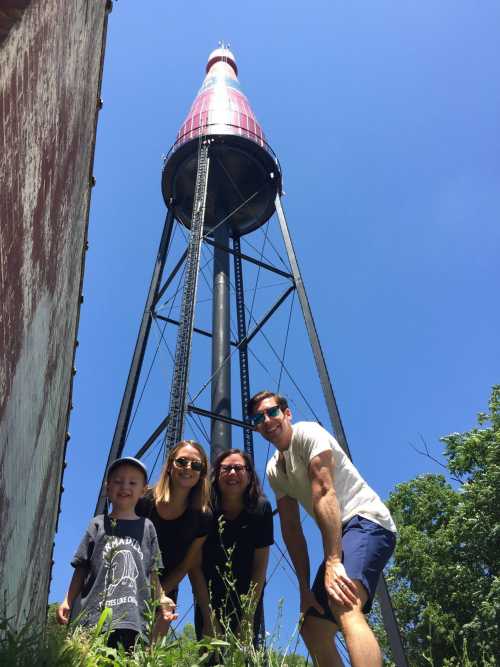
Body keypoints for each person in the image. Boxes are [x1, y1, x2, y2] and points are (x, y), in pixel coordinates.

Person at [248, 391, 397, 667]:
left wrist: (332, 561)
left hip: (366, 520)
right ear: (256, 427)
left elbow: (324, 491)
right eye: (259, 417)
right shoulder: (274, 470)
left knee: (343, 601)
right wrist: (304, 589)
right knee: (313, 628)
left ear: (287, 413)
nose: (267, 420)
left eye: (272, 412)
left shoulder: (307, 433)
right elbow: (291, 529)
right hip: (341, 535)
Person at [57, 457, 177, 651]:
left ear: (143, 490)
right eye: (118, 481)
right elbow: (81, 567)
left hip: (134, 619)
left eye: (132, 482)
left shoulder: (147, 527)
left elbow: (153, 572)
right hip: (94, 617)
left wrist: (162, 598)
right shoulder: (97, 524)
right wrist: (67, 600)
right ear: (108, 488)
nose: (125, 487)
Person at [192, 449, 274, 646]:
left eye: (239, 468)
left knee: (244, 656)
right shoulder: (204, 508)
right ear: (216, 474)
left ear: (249, 475)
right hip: (208, 596)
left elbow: (260, 567)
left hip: (247, 597)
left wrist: (247, 618)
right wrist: (208, 615)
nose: (232, 473)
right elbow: (194, 565)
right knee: (211, 655)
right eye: (226, 468)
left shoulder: (260, 509)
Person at [135, 439, 212, 638]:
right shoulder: (143, 503)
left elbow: (186, 565)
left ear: (202, 473)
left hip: (167, 590)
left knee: (148, 655)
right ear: (170, 465)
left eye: (196, 465)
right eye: (182, 462)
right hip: (128, 582)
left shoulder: (202, 517)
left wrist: (158, 596)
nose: (188, 468)